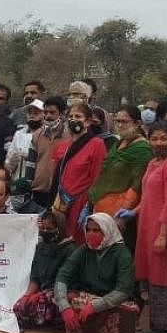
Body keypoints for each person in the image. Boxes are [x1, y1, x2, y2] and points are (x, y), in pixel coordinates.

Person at [132, 121, 167, 333]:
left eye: (163, 138)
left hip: (163, 228)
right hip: (147, 226)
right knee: (151, 278)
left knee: (163, 278)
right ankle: (155, 325)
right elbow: (146, 196)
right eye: (154, 138)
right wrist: (133, 212)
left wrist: (163, 234)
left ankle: (163, 328)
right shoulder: (153, 163)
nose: (158, 143)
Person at [54, 213, 138, 333]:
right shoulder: (83, 250)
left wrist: (95, 306)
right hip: (87, 297)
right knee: (67, 300)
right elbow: (63, 276)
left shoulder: (122, 253)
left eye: (96, 230)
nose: (90, 234)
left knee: (126, 313)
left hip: (113, 300)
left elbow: (123, 290)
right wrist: (65, 307)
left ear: (107, 230)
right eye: (88, 230)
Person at [82, 106, 152, 224]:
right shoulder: (118, 144)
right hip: (99, 206)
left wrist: (123, 212)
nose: (119, 125)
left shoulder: (143, 150)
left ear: (137, 123)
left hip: (117, 212)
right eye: (117, 121)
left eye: (124, 121)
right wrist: (88, 205)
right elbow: (104, 175)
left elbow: (136, 186)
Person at [51, 102, 108, 243]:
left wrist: (89, 206)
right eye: (70, 116)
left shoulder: (96, 144)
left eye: (78, 116)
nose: (73, 119)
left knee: (77, 243)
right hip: (60, 203)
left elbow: (98, 178)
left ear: (87, 122)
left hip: (81, 203)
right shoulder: (62, 147)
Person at [14, 210, 74, 328]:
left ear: (59, 228)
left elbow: (64, 279)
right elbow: (35, 277)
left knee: (41, 302)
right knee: (19, 305)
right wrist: (26, 295)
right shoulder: (40, 247)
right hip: (43, 291)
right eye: (43, 229)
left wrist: (42, 294)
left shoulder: (70, 249)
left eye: (50, 229)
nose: (45, 232)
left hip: (63, 292)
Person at [31, 96, 70, 208]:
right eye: (46, 112)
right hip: (38, 190)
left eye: (52, 112)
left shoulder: (70, 137)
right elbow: (31, 162)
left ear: (62, 114)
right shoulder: (37, 135)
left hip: (60, 192)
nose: (48, 116)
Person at [6, 98, 44, 184]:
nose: (32, 115)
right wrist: (13, 160)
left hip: (37, 182)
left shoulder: (47, 134)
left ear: (43, 115)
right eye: (30, 113)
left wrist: (30, 156)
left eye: (36, 113)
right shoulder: (19, 134)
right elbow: (8, 162)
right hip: (17, 182)